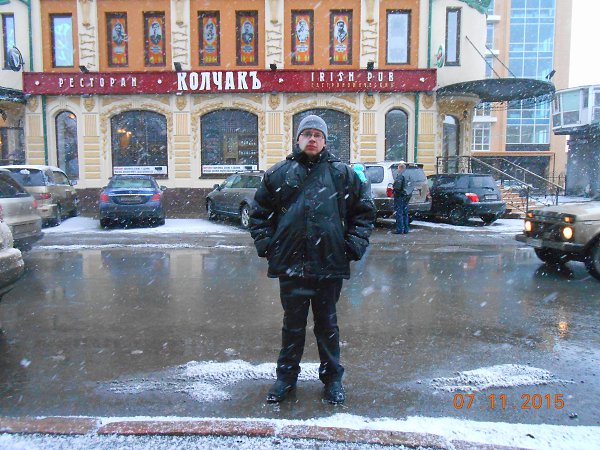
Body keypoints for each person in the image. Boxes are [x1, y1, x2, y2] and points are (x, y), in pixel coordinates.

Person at [250, 115, 375, 404]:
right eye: (307, 133)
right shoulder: (279, 174)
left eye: (318, 135)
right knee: (292, 326)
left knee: (327, 326)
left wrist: (352, 246)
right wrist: (268, 246)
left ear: (325, 141)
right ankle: (285, 378)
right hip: (290, 264)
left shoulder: (342, 174)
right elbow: (259, 214)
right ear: (298, 139)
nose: (312, 139)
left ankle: (332, 380)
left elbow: (364, 212)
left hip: (329, 264)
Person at [392, 163, 412, 234]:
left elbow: (397, 186)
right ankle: (406, 229)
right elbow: (411, 186)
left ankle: (399, 229)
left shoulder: (400, 175)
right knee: (405, 212)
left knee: (399, 212)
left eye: (398, 168)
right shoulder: (408, 175)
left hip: (400, 195)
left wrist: (394, 191)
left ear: (400, 168)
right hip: (407, 195)